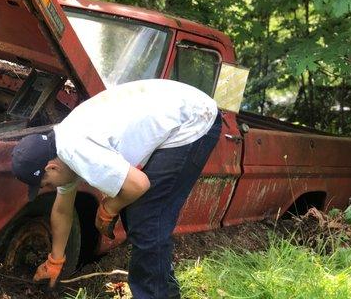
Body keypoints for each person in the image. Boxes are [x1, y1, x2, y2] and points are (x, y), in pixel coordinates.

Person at [12, 79, 222, 298]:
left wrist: (109, 208)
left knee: (147, 218)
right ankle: (165, 290)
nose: (51, 187)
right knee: (137, 211)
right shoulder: (61, 146)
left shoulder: (76, 151)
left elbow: (139, 184)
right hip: (182, 108)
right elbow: (62, 210)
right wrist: (55, 260)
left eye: (46, 184)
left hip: (194, 120)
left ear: (51, 167)